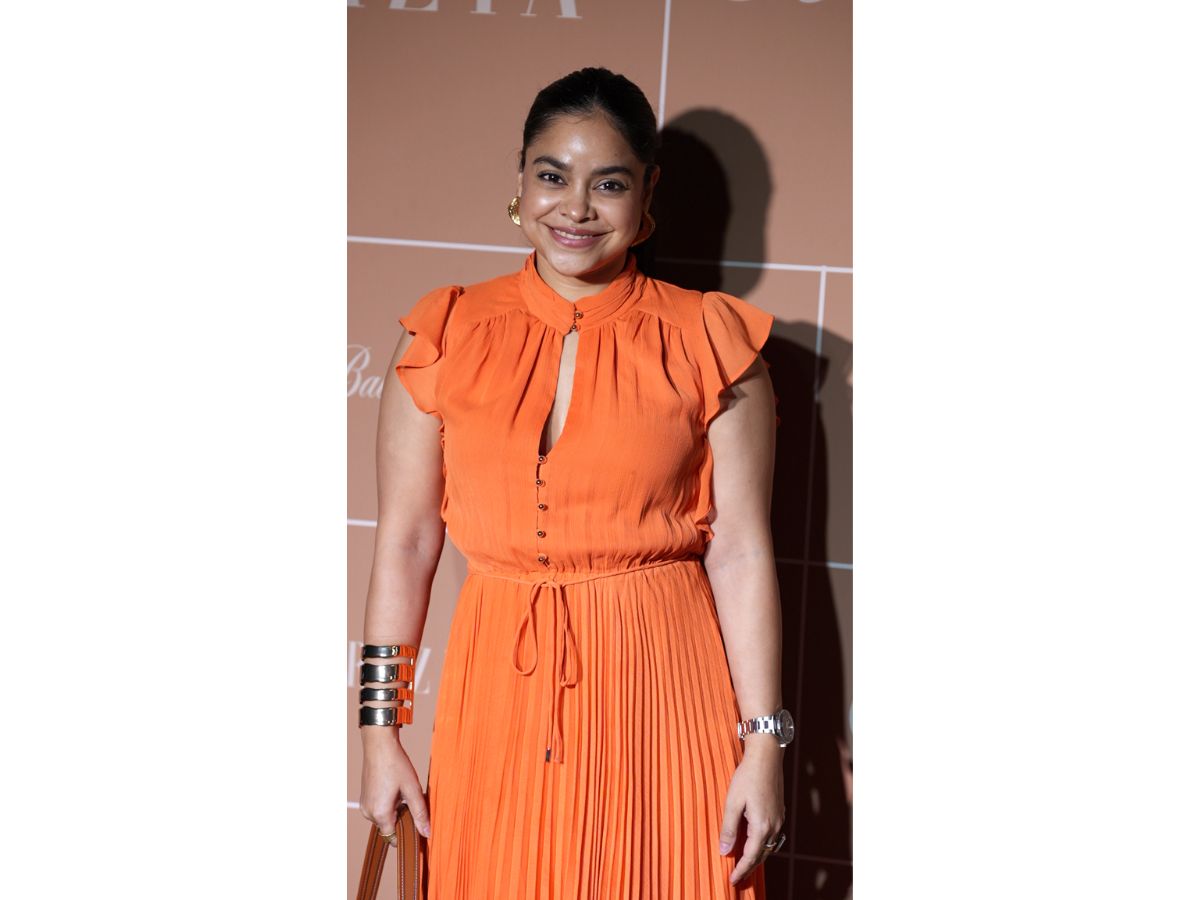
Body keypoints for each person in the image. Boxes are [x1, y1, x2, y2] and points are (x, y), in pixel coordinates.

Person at [357, 66, 790, 899]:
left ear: (647, 193)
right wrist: (381, 733)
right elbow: (406, 543)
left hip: (663, 695)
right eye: (552, 176)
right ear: (520, 180)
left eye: (609, 183)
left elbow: (739, 551)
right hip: (497, 700)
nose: (576, 208)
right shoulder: (446, 333)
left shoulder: (708, 339)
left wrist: (764, 743)